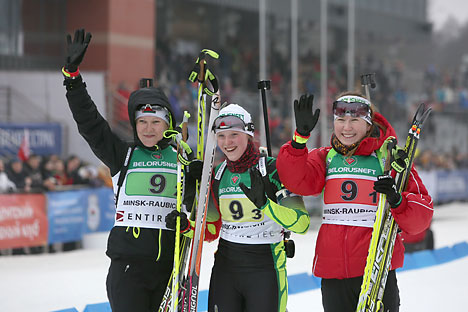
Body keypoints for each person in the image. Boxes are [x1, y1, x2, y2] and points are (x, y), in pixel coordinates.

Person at [62, 28, 198, 312]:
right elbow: (90, 123)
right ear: (135, 125)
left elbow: (196, 211)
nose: (148, 129)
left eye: (155, 122)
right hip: (127, 271)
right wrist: (73, 79)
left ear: (167, 125)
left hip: (168, 268)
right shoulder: (122, 154)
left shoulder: (181, 159)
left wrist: (185, 225)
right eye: (142, 122)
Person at [276, 92, 434, 312]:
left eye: (354, 121)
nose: (346, 128)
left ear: (369, 124)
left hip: (376, 272)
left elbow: (421, 216)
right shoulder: (326, 157)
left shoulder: (390, 160)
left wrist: (397, 201)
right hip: (333, 273)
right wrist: (299, 139)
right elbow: (296, 180)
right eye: (341, 120)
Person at [166, 104, 310, 312]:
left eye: (234, 134)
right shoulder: (217, 174)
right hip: (227, 266)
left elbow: (302, 224)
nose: (227, 142)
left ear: (249, 134)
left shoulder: (271, 169)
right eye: (222, 136)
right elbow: (212, 230)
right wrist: (186, 226)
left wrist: (265, 205)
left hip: (265, 265)